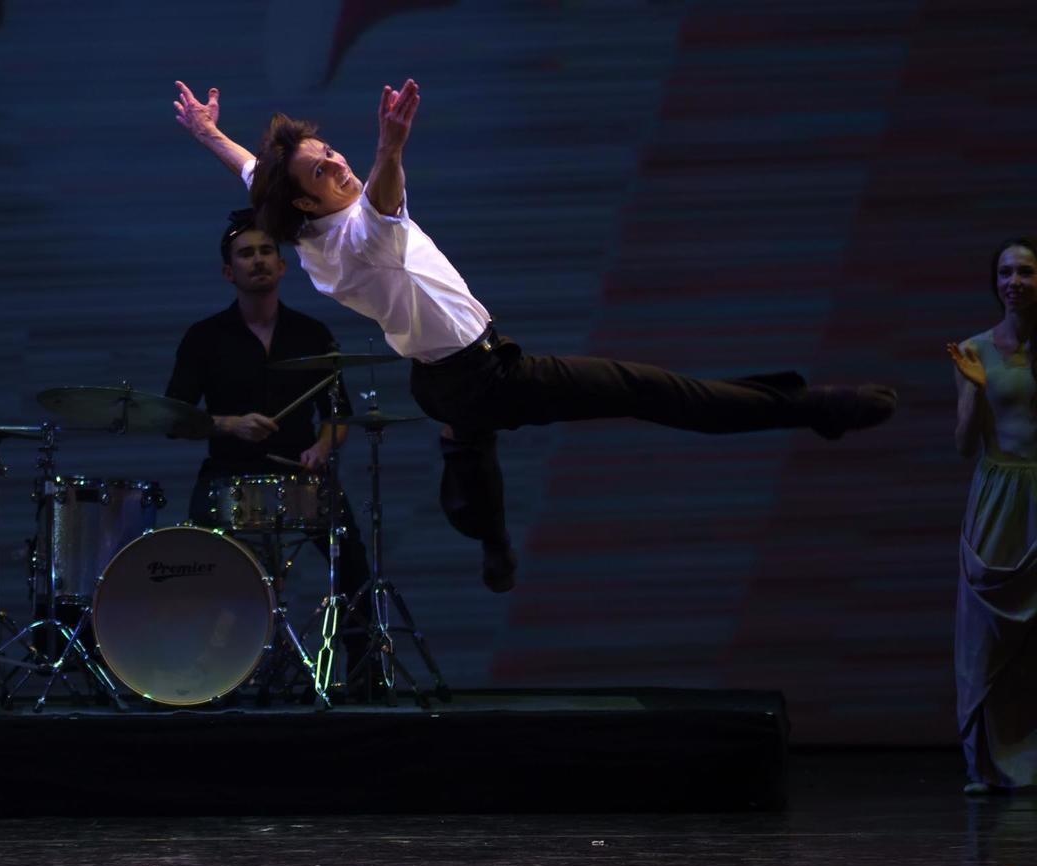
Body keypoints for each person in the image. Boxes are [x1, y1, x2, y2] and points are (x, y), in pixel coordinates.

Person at [172, 78, 897, 593]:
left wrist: (209, 134)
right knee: (651, 391)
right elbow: (382, 201)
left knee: (473, 448)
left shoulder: (305, 232)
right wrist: (390, 147)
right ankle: (813, 407)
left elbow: (253, 172)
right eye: (322, 168)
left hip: (440, 380)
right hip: (485, 374)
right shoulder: (358, 236)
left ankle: (486, 527)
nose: (338, 162)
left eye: (332, 150)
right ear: (306, 201)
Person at [164, 209, 372, 639]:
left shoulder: (312, 334)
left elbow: (337, 416)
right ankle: (209, 663)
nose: (257, 260)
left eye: (265, 251)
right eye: (246, 254)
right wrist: (229, 424)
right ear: (229, 271)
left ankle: (360, 669)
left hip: (301, 474)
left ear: (281, 265)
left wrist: (322, 447)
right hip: (228, 474)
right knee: (195, 566)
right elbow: (174, 419)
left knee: (353, 565)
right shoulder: (204, 337)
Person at [947, 237, 1037, 795]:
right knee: (987, 632)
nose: (1014, 282)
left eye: (1025, 272)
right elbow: (963, 444)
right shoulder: (974, 351)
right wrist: (975, 392)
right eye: (1006, 273)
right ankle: (983, 763)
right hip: (999, 494)